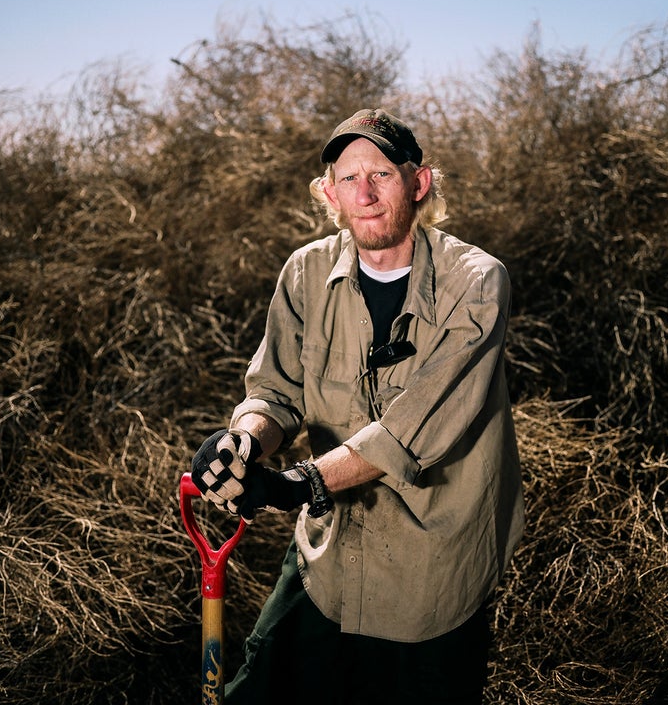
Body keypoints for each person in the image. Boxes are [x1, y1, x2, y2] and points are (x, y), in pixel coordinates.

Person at [191, 108, 525, 704]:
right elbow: (275, 391)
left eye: (382, 175)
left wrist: (295, 484)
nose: (365, 194)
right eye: (348, 178)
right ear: (328, 193)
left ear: (418, 184)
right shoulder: (305, 273)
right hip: (329, 559)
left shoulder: (476, 282)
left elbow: (410, 433)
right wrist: (244, 438)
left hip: (432, 578)